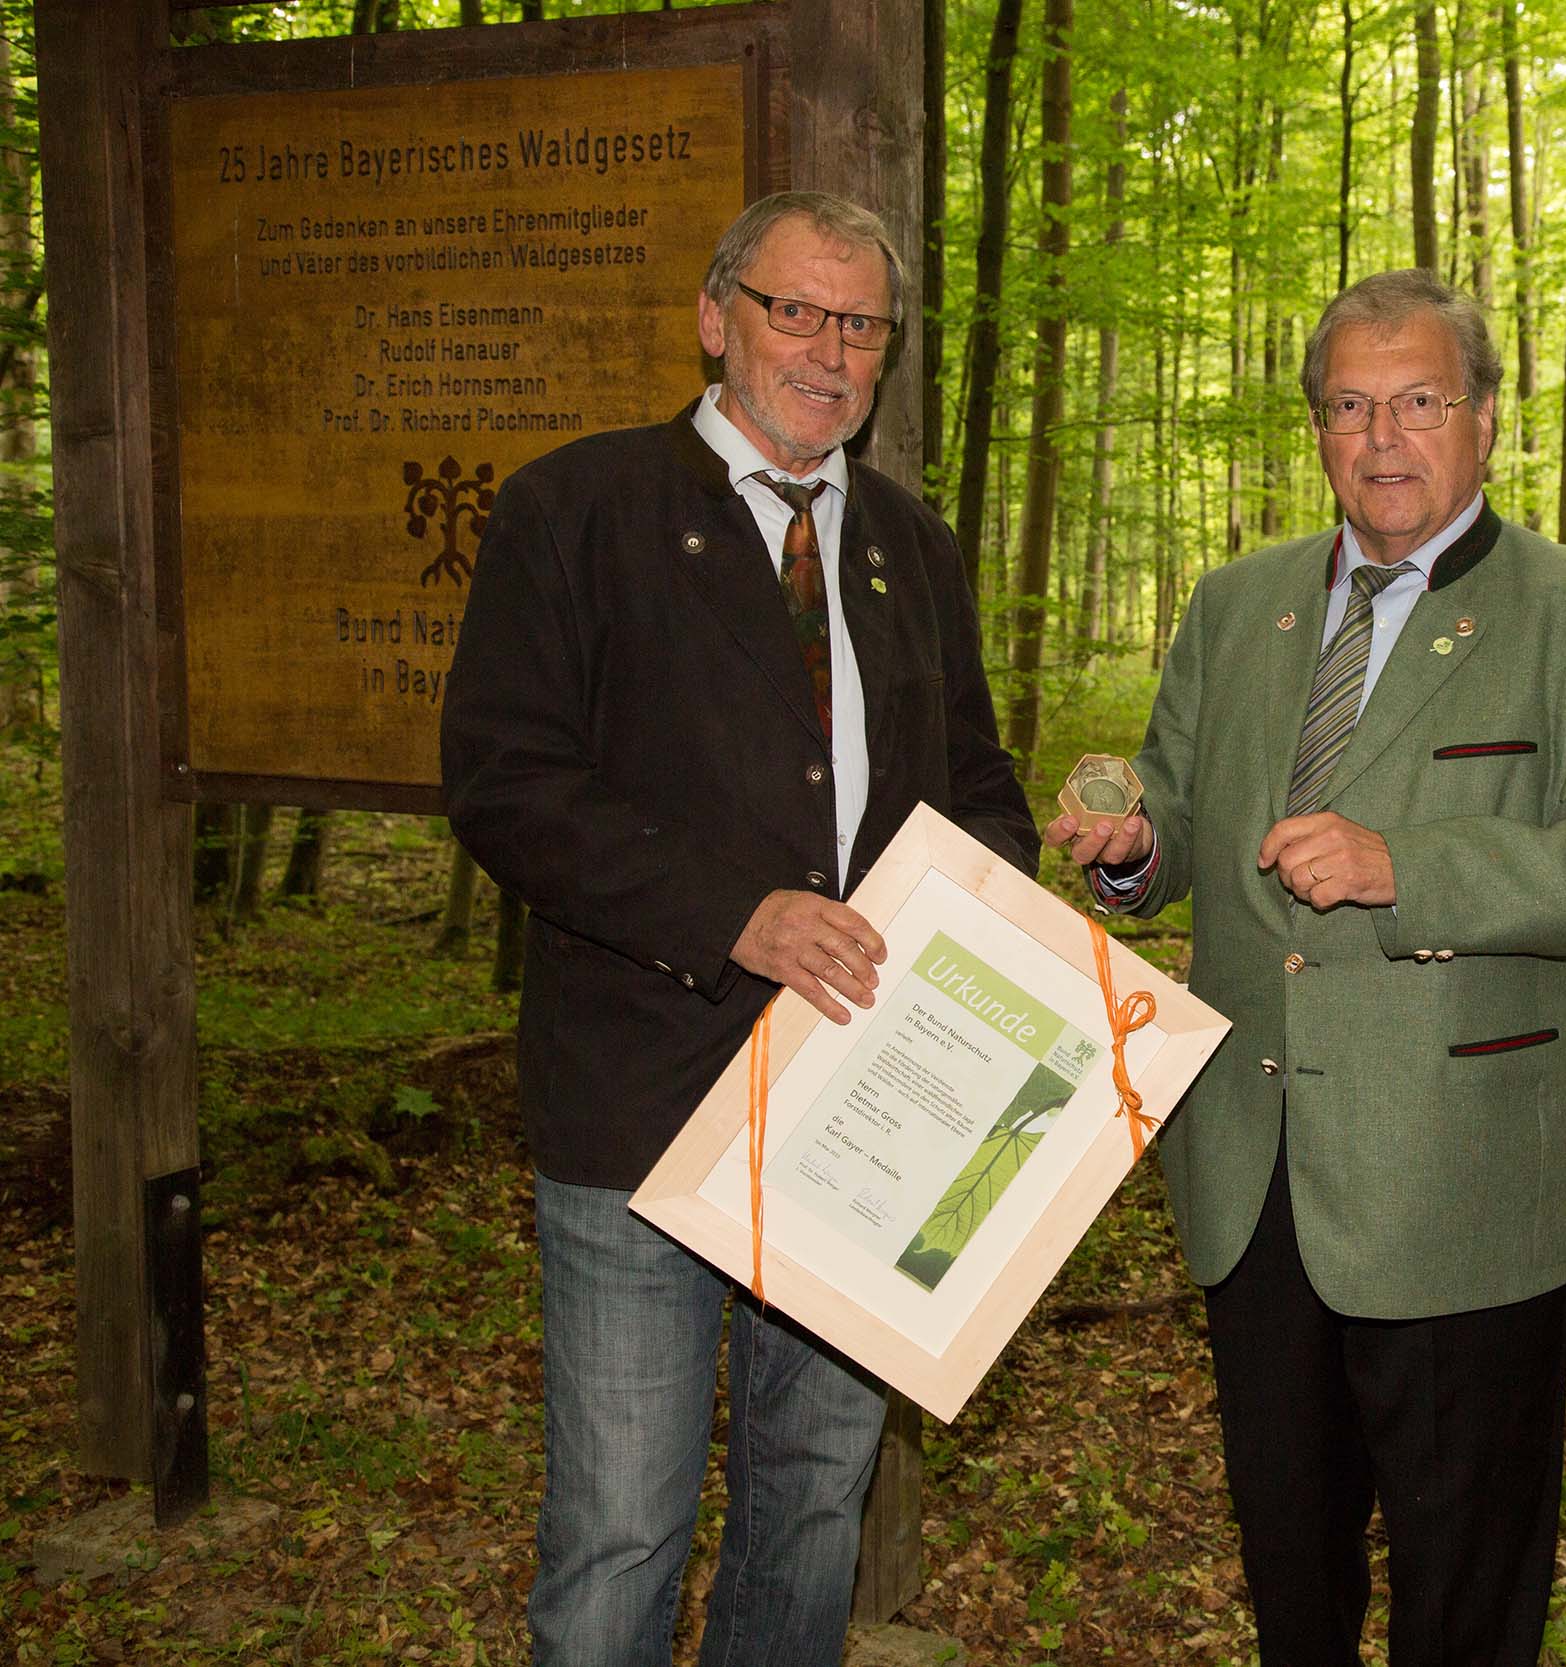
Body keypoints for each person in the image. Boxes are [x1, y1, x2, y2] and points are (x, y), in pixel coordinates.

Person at [1047, 268, 1566, 1665]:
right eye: (1350, 405)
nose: (1383, 437)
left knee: (1465, 1590)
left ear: (1485, 420)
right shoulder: (1236, 608)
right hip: (1249, 1172)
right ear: (1319, 428)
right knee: (1293, 1576)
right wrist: (1120, 851)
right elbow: (1169, 831)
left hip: (1460, 1179)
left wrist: (1412, 865)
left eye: (1419, 401)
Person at [441, 191, 1038, 1667]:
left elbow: (974, 791)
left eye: (862, 324)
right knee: (622, 1529)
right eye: (796, 311)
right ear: (717, 319)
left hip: (866, 1115)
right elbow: (509, 789)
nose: (829, 351)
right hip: (642, 1109)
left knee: (812, 1510)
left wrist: (1007, 973)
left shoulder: (910, 543)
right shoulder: (575, 510)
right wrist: (735, 917)